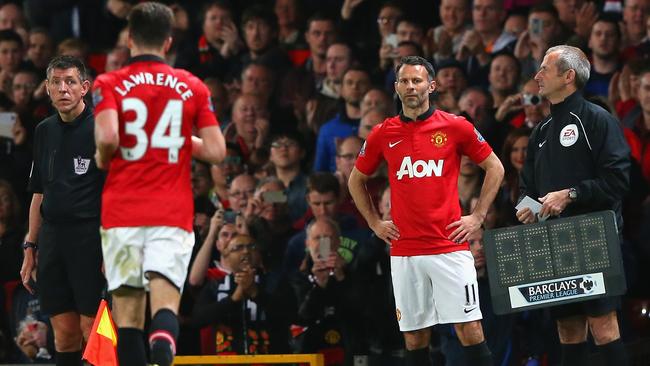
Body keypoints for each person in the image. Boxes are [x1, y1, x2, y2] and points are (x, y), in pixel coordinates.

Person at [348, 55, 504, 366]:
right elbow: (355, 180)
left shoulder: (456, 126)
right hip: (405, 250)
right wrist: (375, 223)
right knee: (415, 336)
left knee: (470, 328)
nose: (410, 86)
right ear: (396, 87)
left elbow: (495, 167)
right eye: (404, 81)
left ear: (431, 85)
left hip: (449, 246)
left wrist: (478, 216)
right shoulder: (383, 132)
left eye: (417, 80)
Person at [92, 3, 226, 366]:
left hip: (121, 212)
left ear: (131, 38)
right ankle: (163, 342)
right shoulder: (191, 86)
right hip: (171, 210)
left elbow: (106, 137)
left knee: (129, 316)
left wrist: (105, 158)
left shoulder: (108, 83)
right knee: (165, 303)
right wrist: (182, 139)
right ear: (168, 42)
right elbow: (216, 150)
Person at [516, 45, 631, 366]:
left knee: (603, 327)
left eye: (544, 70)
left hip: (596, 239)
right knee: (567, 330)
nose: (536, 76)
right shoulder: (540, 131)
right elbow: (527, 188)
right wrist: (527, 208)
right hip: (554, 243)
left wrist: (572, 194)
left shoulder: (596, 119)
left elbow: (619, 180)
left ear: (568, 76)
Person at [20, 55, 105, 366]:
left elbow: (114, 195)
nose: (63, 89)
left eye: (70, 82)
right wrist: (31, 246)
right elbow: (38, 193)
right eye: (56, 82)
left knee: (92, 329)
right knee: (64, 332)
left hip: (91, 239)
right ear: (47, 88)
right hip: (54, 239)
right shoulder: (43, 131)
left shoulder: (101, 129)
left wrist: (113, 249)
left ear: (84, 88)